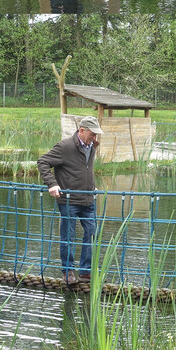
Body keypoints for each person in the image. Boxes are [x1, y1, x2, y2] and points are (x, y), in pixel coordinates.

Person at [37, 115, 103, 286]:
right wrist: (52, 184)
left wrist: (92, 186)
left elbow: (85, 169)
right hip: (69, 200)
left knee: (92, 233)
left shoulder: (92, 146)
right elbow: (43, 162)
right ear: (81, 130)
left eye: (96, 135)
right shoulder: (65, 146)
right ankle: (68, 271)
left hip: (88, 199)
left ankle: (86, 271)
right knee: (68, 236)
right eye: (92, 134)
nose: (95, 138)